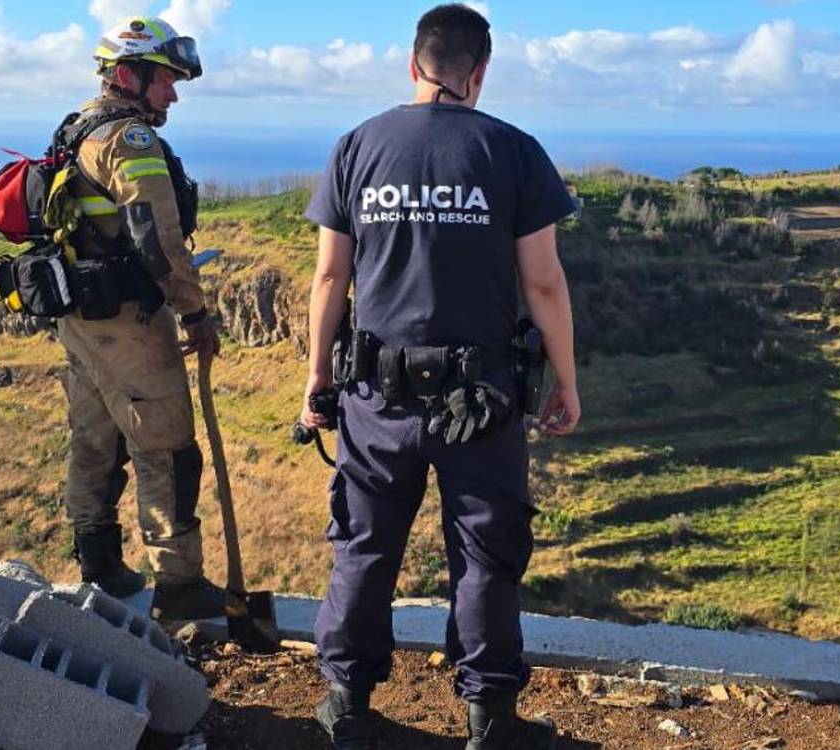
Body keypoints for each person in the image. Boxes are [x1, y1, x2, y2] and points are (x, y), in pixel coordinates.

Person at [298, 5, 580, 748]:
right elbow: (544, 285)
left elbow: (329, 279)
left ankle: (347, 708)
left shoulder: (356, 146)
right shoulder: (513, 151)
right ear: (479, 72)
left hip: (373, 396)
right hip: (480, 401)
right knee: (484, 553)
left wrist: (314, 377)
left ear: (412, 64)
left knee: (363, 545)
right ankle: (489, 718)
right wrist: (565, 381)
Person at [54, 15, 226, 621]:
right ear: (128, 75)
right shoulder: (131, 142)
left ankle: (99, 564)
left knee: (95, 440)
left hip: (80, 319)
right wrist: (196, 312)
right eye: (164, 80)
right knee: (169, 449)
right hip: (128, 323)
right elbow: (159, 241)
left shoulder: (76, 129)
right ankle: (178, 584)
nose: (173, 93)